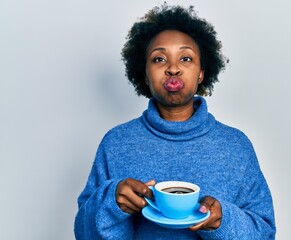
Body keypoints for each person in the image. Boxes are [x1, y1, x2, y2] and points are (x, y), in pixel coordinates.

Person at [74, 4, 276, 239]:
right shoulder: (116, 143)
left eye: (186, 58)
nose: (173, 68)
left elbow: (265, 233)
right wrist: (112, 203)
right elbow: (83, 233)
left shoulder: (236, 145)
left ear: (201, 72)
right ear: (145, 75)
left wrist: (222, 221)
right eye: (159, 59)